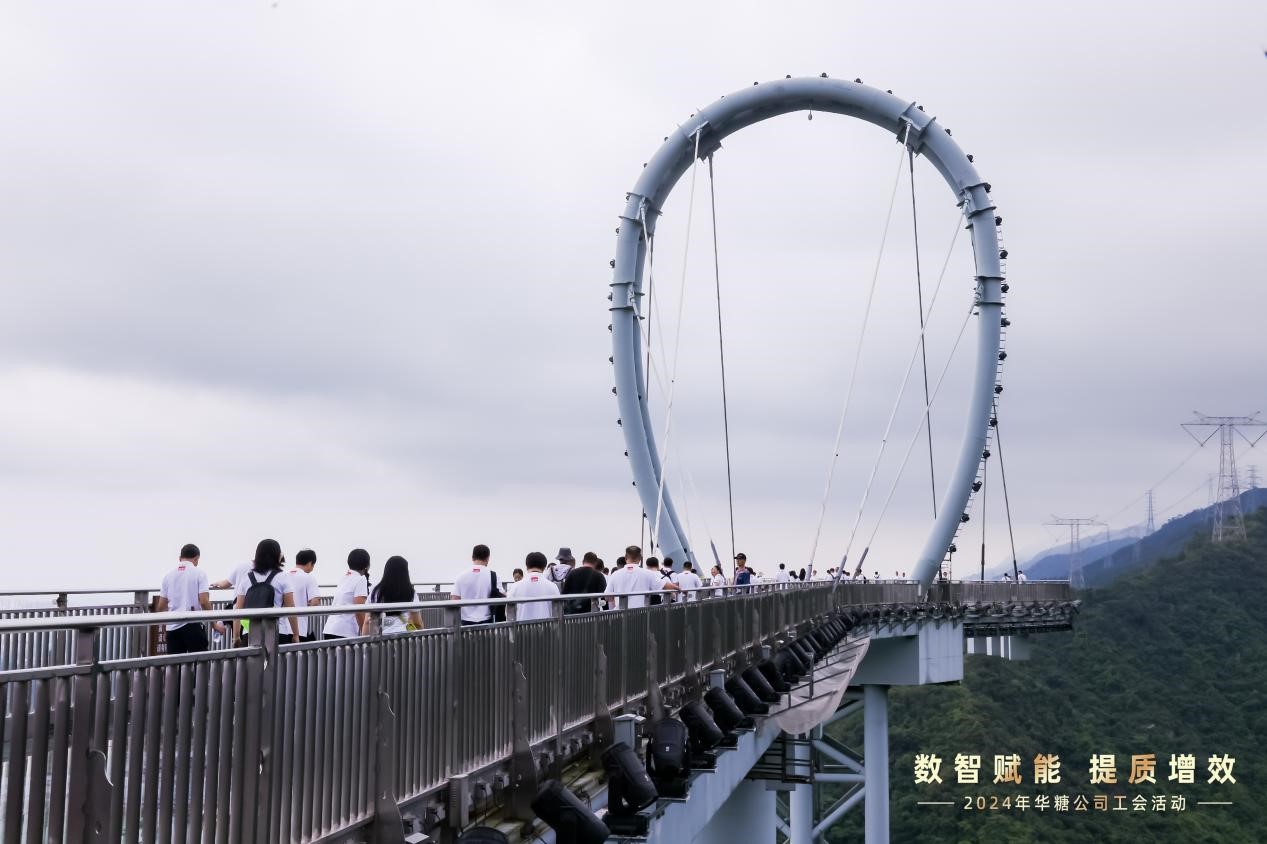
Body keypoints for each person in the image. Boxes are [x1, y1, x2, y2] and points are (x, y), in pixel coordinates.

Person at [156, 543, 222, 653]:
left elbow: (161, 607)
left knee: (176, 662)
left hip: (172, 627)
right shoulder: (199, 573)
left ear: (180, 558)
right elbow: (204, 601)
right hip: (193, 624)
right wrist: (214, 624)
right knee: (199, 661)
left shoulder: (168, 576)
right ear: (196, 558)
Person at [232, 539, 300, 645]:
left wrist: (236, 636)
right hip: (277, 632)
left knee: (252, 656)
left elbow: (238, 609)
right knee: (275, 657)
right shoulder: (283, 577)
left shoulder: (247, 577)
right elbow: (290, 607)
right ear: (277, 555)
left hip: (250, 632)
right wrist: (295, 634)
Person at [605, 545, 677, 609]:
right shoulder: (647, 573)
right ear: (640, 558)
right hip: (640, 614)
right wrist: (678, 588)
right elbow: (664, 585)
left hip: (620, 614)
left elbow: (607, 597)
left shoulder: (615, 574)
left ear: (626, 557)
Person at [367, 556, 423, 634]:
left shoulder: (375, 591)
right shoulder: (410, 592)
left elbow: (367, 622)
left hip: (381, 636)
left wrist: (364, 639)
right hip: (404, 636)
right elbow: (418, 623)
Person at [324, 549, 371, 640]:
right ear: (366, 565)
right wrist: (364, 635)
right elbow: (359, 609)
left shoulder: (344, 577)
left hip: (330, 629)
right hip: (344, 631)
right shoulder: (360, 579)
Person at [451, 544, 500, 625]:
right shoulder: (493, 575)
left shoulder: (461, 576)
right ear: (488, 558)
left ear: (472, 557)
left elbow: (454, 599)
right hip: (486, 620)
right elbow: (502, 596)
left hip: (465, 621)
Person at [512, 552, 559, 622]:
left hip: (522, 627)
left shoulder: (515, 586)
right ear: (544, 567)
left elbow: (510, 614)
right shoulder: (553, 586)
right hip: (546, 627)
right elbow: (557, 611)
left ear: (527, 566)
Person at [288, 549, 322, 642]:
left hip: (281, 628)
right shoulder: (308, 577)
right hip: (299, 629)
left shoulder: (284, 575)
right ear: (310, 563)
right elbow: (315, 601)